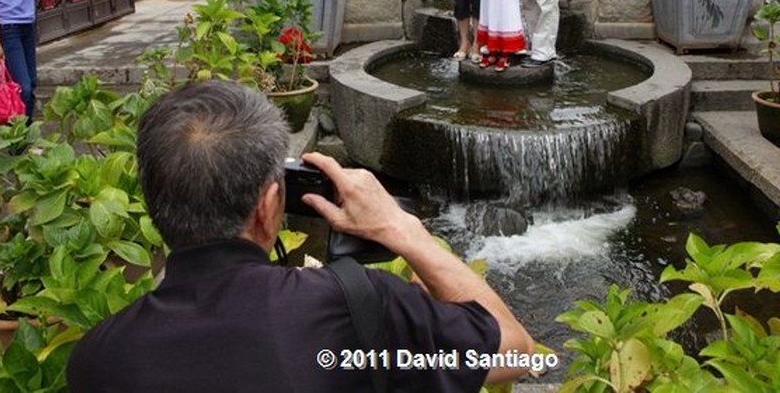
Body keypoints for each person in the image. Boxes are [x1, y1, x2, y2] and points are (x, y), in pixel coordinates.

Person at [67, 80, 534, 392]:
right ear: (270, 208)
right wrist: (402, 229)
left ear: (152, 204)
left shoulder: (98, 359)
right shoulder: (352, 311)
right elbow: (516, 352)